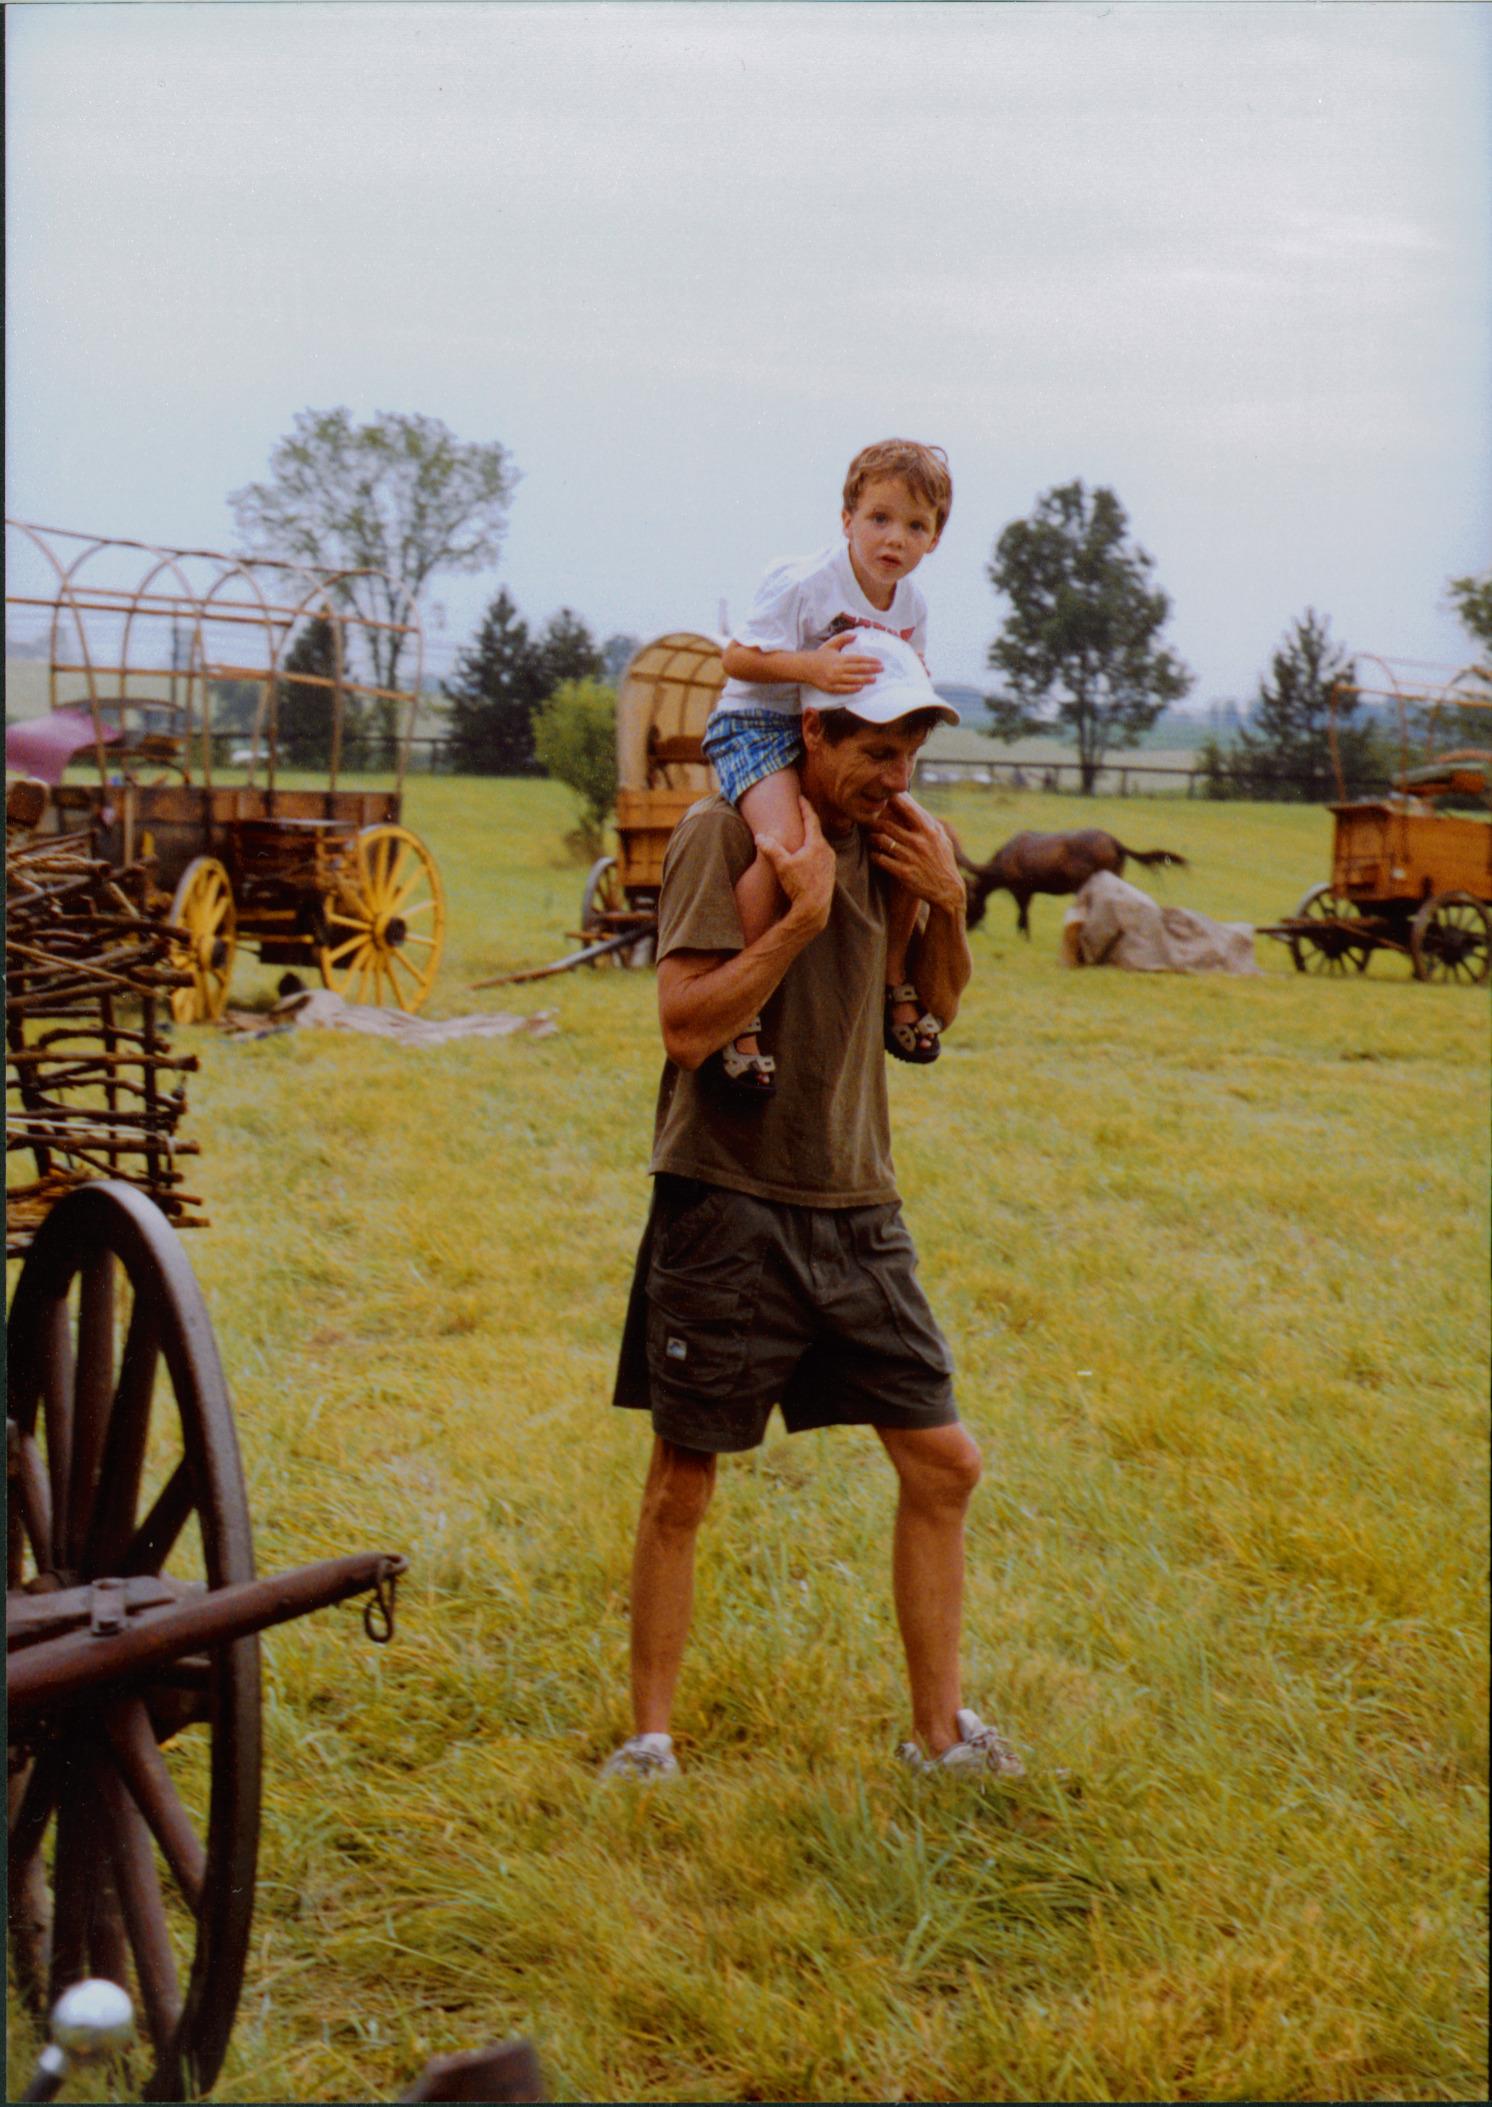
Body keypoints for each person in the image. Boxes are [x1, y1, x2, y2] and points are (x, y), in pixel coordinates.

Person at [604, 645, 1025, 1784]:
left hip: (856, 1203)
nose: (892, 774)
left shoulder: (896, 846)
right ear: (813, 738)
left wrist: (947, 907)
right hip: (724, 1201)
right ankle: (649, 1742)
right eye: (872, 750)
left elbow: (924, 1017)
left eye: (909, 753)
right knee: (683, 1479)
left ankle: (939, 1739)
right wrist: (793, 922)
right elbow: (688, 1027)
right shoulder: (724, 836)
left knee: (943, 1463)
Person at [701, 438, 954, 1098]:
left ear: (934, 538)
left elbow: (903, 683)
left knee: (918, 836)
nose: (894, 538)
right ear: (846, 519)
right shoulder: (808, 582)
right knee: (783, 842)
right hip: (761, 724)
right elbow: (737, 660)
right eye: (879, 518)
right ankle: (739, 1006)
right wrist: (810, 666)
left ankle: (893, 975)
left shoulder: (913, 608)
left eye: (916, 525)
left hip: (837, 739)